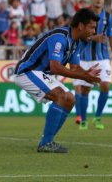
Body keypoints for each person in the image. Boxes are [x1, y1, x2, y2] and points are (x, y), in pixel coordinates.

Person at [14, 8, 101, 153]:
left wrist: (86, 73)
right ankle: (46, 143)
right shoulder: (60, 37)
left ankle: (48, 141)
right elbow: (55, 67)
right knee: (60, 96)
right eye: (91, 27)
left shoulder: (76, 43)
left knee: (70, 99)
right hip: (26, 72)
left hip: (40, 74)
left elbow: (74, 67)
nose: (93, 31)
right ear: (80, 26)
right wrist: (84, 76)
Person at [73, 0, 112, 130]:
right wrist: (94, 38)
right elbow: (77, 34)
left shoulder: (108, 17)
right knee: (85, 90)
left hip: (102, 58)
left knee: (105, 85)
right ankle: (84, 120)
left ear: (104, 0)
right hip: (85, 58)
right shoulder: (84, 16)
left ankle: (98, 117)